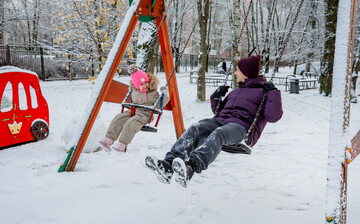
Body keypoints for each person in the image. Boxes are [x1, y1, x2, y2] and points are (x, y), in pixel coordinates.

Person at [145, 55, 283, 187]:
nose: (235, 73)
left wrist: (273, 93)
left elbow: (273, 116)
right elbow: (219, 112)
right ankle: (167, 166)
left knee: (219, 133)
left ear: (246, 73)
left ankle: (191, 167)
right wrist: (216, 97)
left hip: (241, 128)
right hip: (221, 121)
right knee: (196, 128)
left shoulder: (264, 93)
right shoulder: (235, 92)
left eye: (238, 70)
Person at [99, 65, 169, 152]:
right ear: (136, 86)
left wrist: (165, 95)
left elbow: (159, 104)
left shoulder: (153, 93)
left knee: (130, 123)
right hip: (134, 111)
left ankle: (123, 144)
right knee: (119, 118)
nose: (145, 85)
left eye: (146, 82)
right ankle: (109, 139)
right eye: (141, 84)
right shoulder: (135, 92)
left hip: (145, 115)